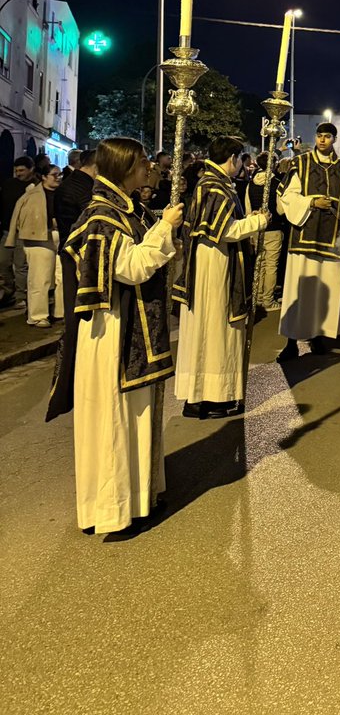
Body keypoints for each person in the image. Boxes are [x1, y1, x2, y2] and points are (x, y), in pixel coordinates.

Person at [47, 137, 183, 537]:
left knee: (133, 419)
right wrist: (165, 229)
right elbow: (132, 266)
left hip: (129, 329)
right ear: (125, 168)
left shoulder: (124, 209)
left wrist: (160, 224)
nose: (148, 170)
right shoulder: (103, 216)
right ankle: (114, 509)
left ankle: (138, 498)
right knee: (115, 422)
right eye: (143, 164)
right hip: (113, 335)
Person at [173, 135, 268, 418]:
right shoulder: (215, 187)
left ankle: (202, 396)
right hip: (214, 265)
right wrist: (258, 222)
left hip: (210, 262)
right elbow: (224, 230)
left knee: (207, 331)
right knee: (214, 331)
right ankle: (212, 398)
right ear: (232, 159)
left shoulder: (212, 182)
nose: (240, 165)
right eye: (240, 159)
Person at [275, 122, 340, 361]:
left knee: (322, 294)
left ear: (334, 139)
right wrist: (311, 202)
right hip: (304, 238)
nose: (322, 140)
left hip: (332, 240)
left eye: (328, 137)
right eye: (320, 136)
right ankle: (291, 341)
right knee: (297, 291)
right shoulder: (300, 164)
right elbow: (287, 196)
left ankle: (318, 336)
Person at [5, 159, 63, 328]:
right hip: (38, 240)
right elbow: (20, 216)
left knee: (61, 277)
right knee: (40, 278)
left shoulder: (61, 193)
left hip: (59, 237)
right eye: (54, 175)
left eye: (59, 174)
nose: (58, 177)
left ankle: (60, 311)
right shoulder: (32, 195)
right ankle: (38, 315)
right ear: (44, 177)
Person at [246, 150, 287, 314]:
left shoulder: (251, 183)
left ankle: (258, 296)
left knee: (259, 263)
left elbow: (248, 208)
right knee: (271, 265)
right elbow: (281, 209)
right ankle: (268, 300)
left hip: (255, 228)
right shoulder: (277, 183)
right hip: (273, 228)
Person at [0, 155, 35, 310]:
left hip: (24, 232)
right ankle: (8, 292)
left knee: (21, 266)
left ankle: (21, 296)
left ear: (31, 169)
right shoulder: (9, 184)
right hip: (8, 230)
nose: (19, 173)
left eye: (22, 170)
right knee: (3, 262)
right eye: (16, 170)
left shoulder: (36, 187)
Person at [55, 149, 99, 247]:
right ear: (96, 167)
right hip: (76, 247)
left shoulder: (75, 181)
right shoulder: (83, 187)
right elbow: (92, 217)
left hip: (71, 244)